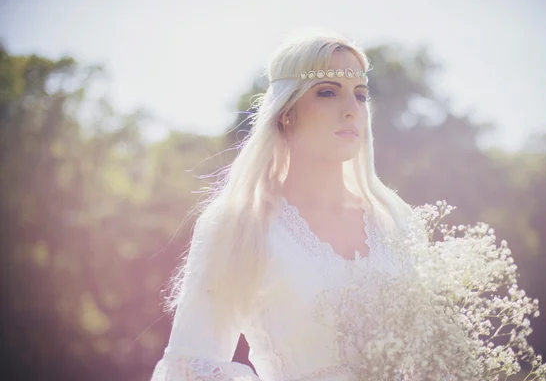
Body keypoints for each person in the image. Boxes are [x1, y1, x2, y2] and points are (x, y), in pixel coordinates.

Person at [150, 28, 414, 381]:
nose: (352, 110)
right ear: (286, 111)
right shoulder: (240, 224)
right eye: (327, 92)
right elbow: (193, 366)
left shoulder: (397, 222)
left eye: (361, 95)